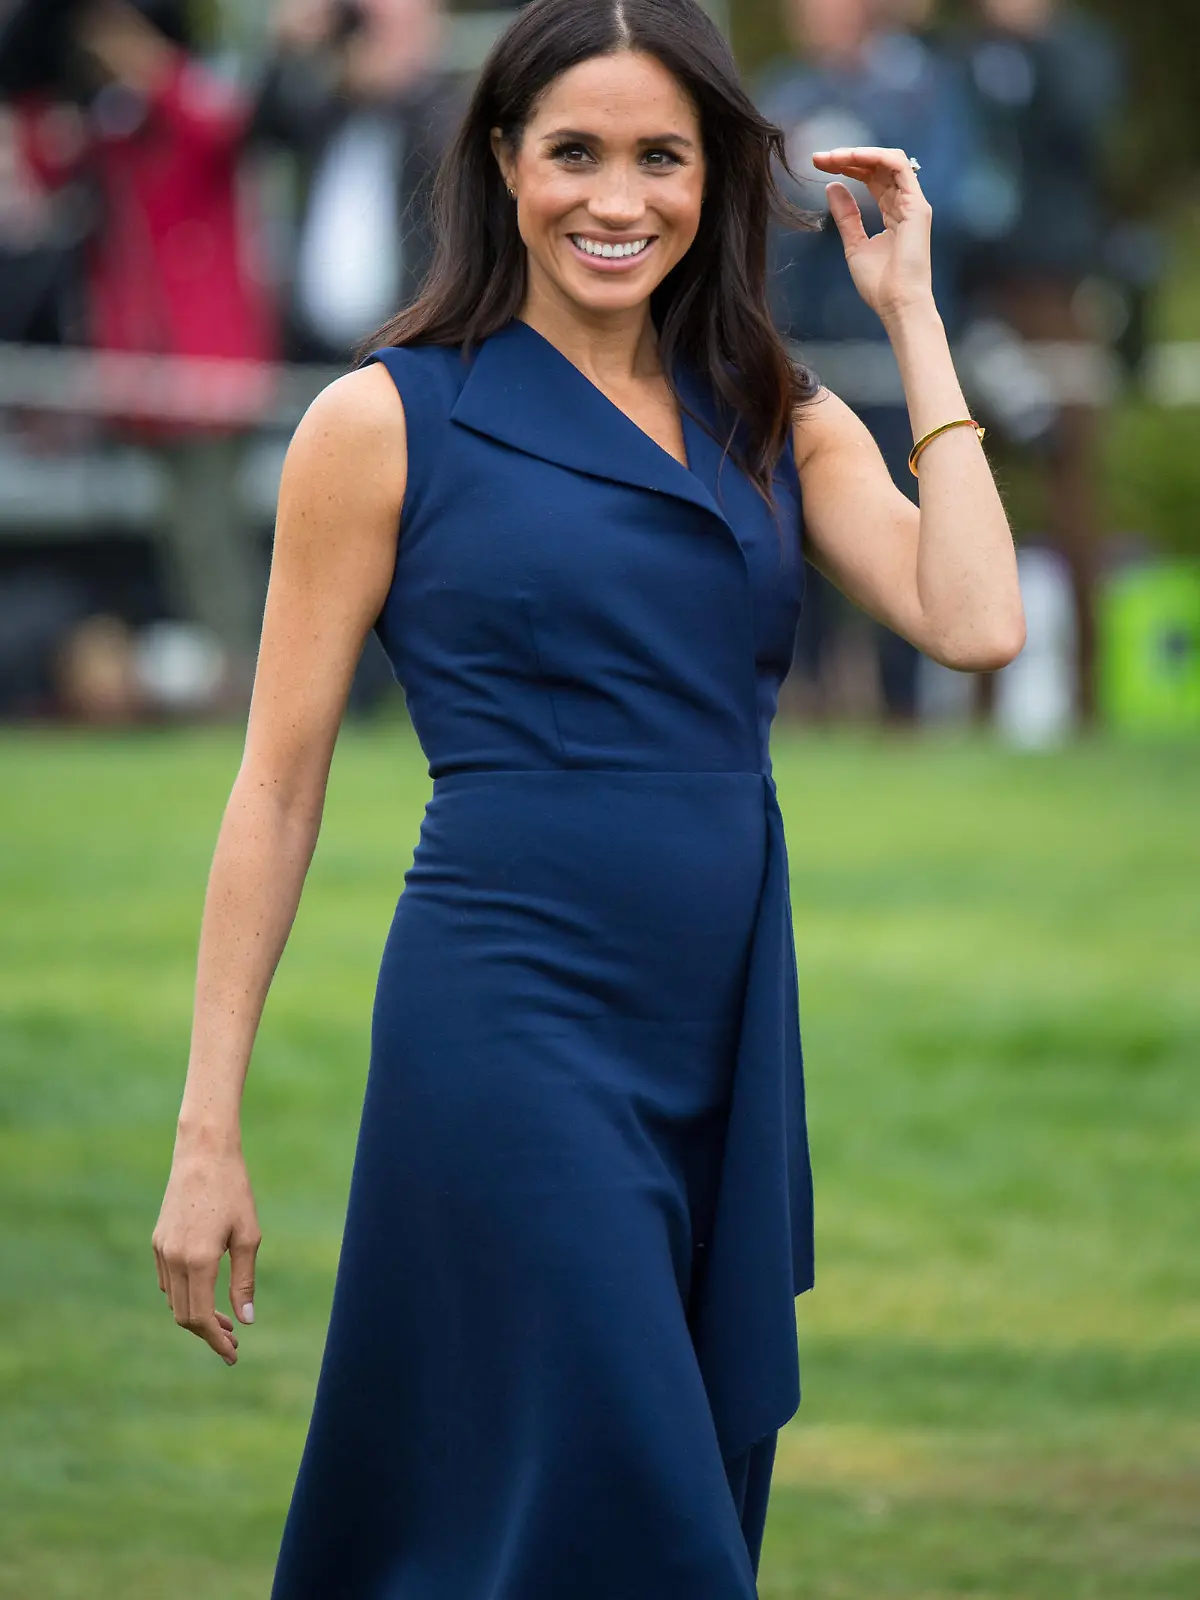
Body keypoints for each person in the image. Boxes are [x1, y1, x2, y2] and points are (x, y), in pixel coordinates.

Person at [150, 0, 1024, 1592]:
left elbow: (974, 622)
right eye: (575, 153)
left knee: (618, 1504)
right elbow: (274, 789)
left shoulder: (772, 410)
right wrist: (207, 1132)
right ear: (503, 162)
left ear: (715, 176)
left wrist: (911, 314)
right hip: (507, 1023)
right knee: (642, 1514)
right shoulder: (385, 420)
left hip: (725, 1026)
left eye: (660, 158)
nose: (617, 200)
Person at [11, 0, 277, 674]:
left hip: (208, 373)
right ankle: (217, 670)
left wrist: (144, 56)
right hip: (142, 377)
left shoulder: (186, 115)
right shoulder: (113, 135)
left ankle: (248, 674)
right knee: (174, 540)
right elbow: (45, 166)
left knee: (213, 535)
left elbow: (218, 126)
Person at [759, 0, 982, 722]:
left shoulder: (925, 87)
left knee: (909, 513)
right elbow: (752, 203)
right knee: (798, 518)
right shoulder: (786, 89)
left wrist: (858, 187)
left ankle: (903, 707)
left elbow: (952, 196)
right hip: (804, 341)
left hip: (887, 346)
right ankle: (809, 697)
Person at [957, 0, 1125, 722]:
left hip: (1059, 296)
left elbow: (1083, 127)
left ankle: (1088, 700)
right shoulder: (962, 56)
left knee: (1074, 496)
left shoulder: (1081, 51)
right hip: (978, 303)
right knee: (974, 491)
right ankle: (978, 699)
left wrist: (1037, 44)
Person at [251, 0, 460, 365]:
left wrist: (409, 74)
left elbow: (446, 149)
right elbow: (262, 128)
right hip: (310, 350)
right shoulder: (327, 114)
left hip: (404, 346)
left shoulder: (436, 113)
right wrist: (287, 47)